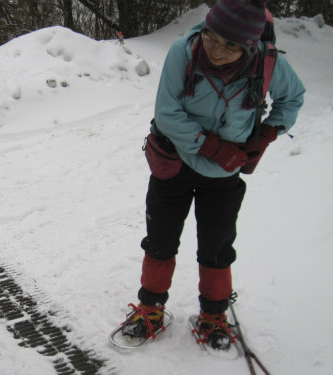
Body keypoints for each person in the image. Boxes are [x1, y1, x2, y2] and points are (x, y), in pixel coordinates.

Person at [120, 0, 305, 351]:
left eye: (230, 45)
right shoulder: (183, 52)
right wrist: (214, 148)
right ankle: (150, 309)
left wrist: (267, 134)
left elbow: (292, 99)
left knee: (217, 246)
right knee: (160, 240)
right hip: (172, 165)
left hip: (223, 177)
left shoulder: (268, 63)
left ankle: (213, 315)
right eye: (211, 37)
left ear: (249, 44)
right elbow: (167, 112)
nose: (217, 50)